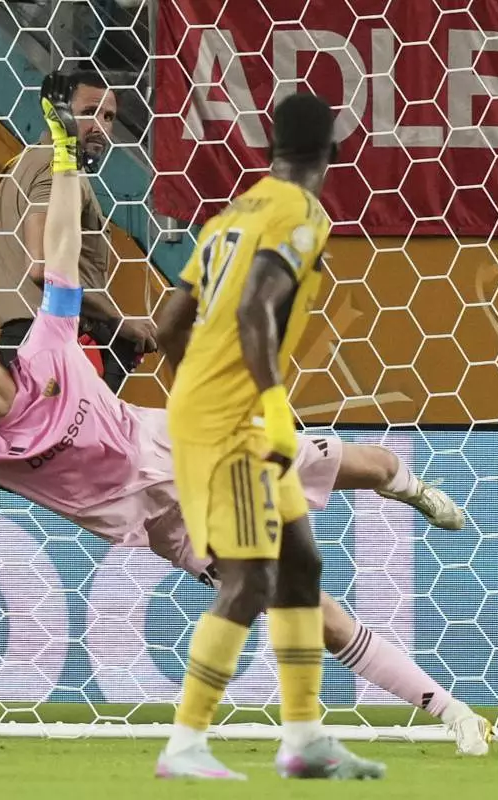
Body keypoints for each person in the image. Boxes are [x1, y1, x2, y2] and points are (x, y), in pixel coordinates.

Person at [0, 74, 491, 759]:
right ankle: (450, 711)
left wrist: (70, 161)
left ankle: (404, 484)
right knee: (307, 610)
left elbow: (58, 244)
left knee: (369, 469)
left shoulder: (48, 343)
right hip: (176, 523)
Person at [153, 92, 381, 780]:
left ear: (268, 151)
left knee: (302, 562)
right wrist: (265, 402)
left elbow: (167, 324)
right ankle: (185, 744)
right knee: (250, 579)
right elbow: (255, 305)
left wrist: (200, 389)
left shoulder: (232, 212)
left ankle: (306, 737)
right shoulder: (304, 213)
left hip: (218, 406)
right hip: (238, 418)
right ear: (335, 152)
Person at [0, 68, 156, 392]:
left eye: (109, 117)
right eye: (89, 113)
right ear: (59, 113)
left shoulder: (20, 163)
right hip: (51, 348)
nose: (101, 128)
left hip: (29, 343)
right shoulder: (58, 171)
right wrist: (118, 320)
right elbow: (44, 269)